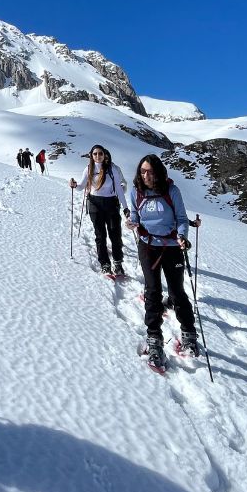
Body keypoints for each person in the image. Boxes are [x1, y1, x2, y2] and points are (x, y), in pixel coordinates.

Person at [125, 153, 198, 369]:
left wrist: (182, 236)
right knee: (152, 291)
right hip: (148, 246)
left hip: (172, 247)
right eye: (143, 171)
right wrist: (132, 223)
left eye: (150, 171)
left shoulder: (171, 191)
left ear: (158, 172)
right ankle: (154, 338)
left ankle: (189, 332)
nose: (146, 175)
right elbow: (136, 218)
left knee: (176, 292)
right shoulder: (136, 192)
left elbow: (182, 219)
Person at [69, 144, 128, 276]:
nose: (97, 156)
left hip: (112, 203)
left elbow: (119, 189)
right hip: (95, 204)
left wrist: (125, 208)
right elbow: (81, 186)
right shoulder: (88, 169)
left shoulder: (112, 169)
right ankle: (105, 264)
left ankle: (118, 262)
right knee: (100, 236)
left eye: (100, 153)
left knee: (115, 235)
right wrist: (74, 185)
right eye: (95, 154)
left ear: (104, 154)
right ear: (91, 155)